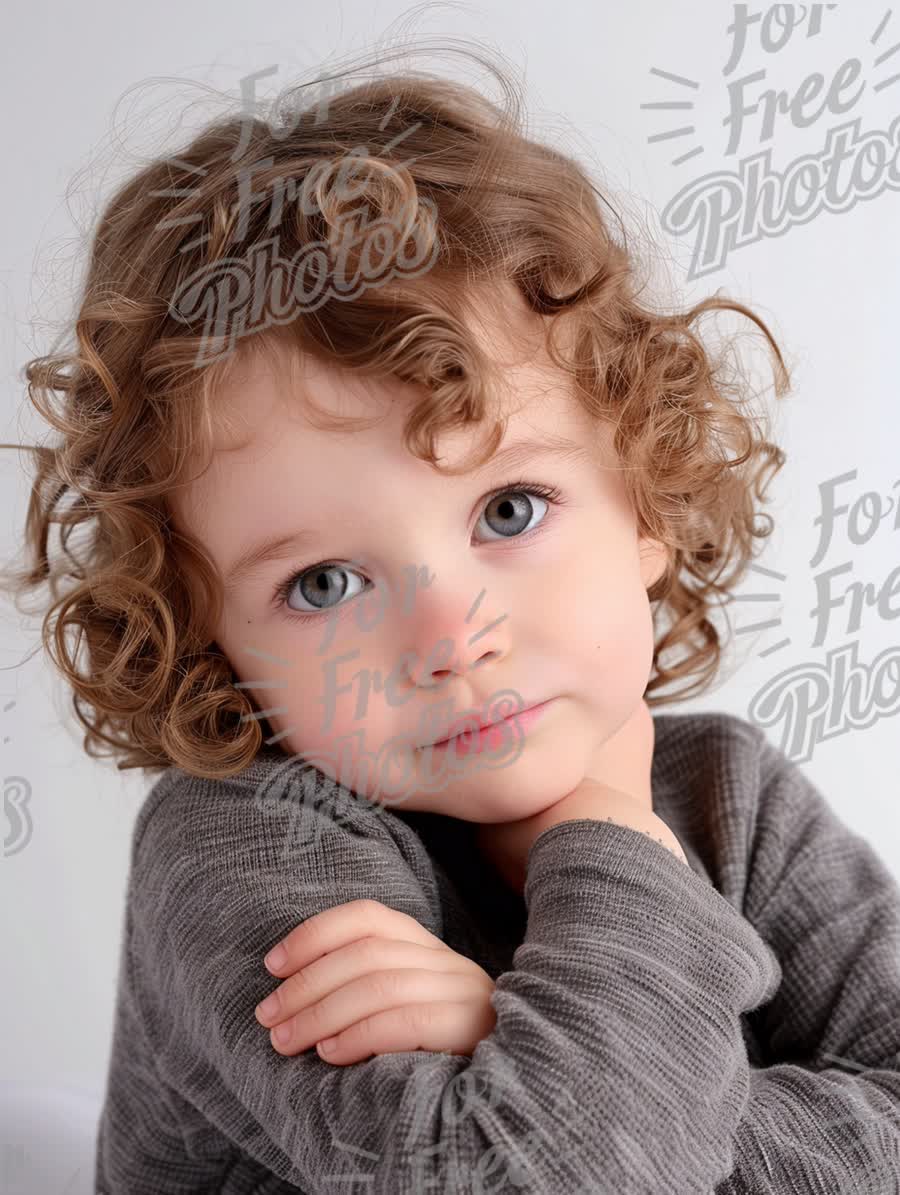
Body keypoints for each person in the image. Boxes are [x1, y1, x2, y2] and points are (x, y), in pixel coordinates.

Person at [2, 42, 898, 1194]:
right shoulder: (242, 847)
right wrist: (615, 837)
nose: (449, 637)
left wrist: (504, 1031)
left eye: (509, 508)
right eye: (323, 583)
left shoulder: (738, 798)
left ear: (646, 501)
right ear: (208, 639)